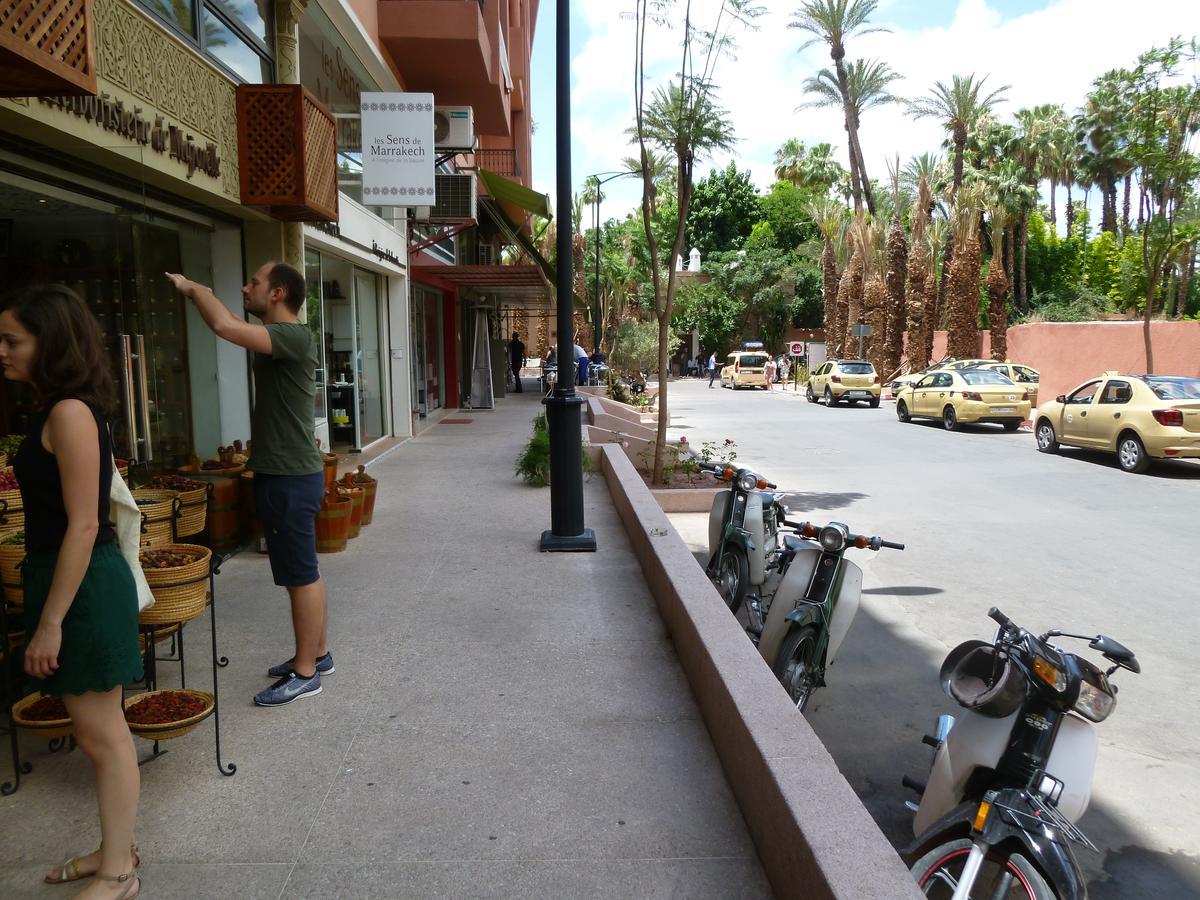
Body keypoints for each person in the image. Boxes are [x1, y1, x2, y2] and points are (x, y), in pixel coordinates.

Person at [0, 285, 143, 898]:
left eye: (13, 340)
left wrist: (51, 621)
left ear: (48, 341)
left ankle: (119, 872)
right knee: (95, 733)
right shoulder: (62, 409)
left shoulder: (69, 413)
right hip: (68, 582)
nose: (2, 350)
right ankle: (115, 849)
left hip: (80, 588)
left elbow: (85, 523)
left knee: (102, 735)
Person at [167, 263, 330, 707]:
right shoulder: (285, 339)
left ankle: (306, 672)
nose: (245, 287)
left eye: (254, 282)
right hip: (288, 474)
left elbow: (224, 325)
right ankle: (318, 653)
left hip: (290, 477)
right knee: (303, 571)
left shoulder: (292, 336)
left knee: (301, 575)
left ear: (277, 293)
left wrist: (195, 286)